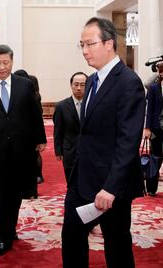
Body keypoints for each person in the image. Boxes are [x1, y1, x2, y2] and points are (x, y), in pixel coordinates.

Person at [61, 17, 146, 268]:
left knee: (117, 245)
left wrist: (110, 187)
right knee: (72, 236)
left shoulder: (129, 82)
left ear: (109, 43)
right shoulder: (92, 81)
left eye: (90, 44)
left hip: (112, 184)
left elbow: (128, 141)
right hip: (82, 178)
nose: (85, 51)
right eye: (82, 45)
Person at [0, 44, 46, 257]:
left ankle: (10, 228)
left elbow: (35, 114)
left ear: (12, 62)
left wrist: (40, 139)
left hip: (21, 149)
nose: (2, 67)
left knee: (15, 194)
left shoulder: (24, 85)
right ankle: (1, 238)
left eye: (6, 62)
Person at [14, 68, 44, 196]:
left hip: (26, 134)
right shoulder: (34, 93)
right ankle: (31, 190)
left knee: (26, 163)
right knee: (30, 163)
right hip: (29, 134)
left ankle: (28, 190)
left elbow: (37, 117)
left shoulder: (27, 94)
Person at [53, 72, 87, 183]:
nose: (79, 88)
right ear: (71, 85)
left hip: (90, 151)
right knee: (72, 183)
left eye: (82, 85)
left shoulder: (94, 104)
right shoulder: (61, 106)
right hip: (70, 151)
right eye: (76, 84)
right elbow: (58, 131)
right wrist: (58, 151)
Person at [144, 62, 163, 197]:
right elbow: (149, 110)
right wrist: (147, 128)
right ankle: (151, 188)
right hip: (157, 129)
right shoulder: (154, 88)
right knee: (155, 158)